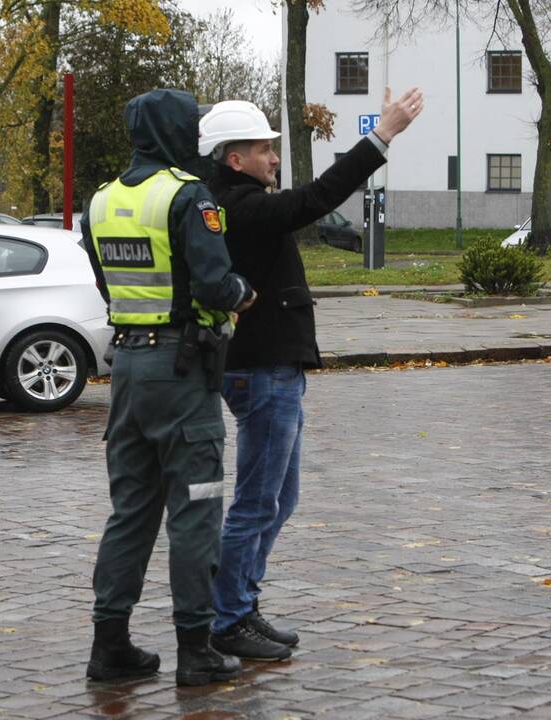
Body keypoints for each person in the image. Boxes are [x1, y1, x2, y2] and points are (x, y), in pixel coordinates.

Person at [197, 88, 424, 660]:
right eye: (264, 150)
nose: (274, 158)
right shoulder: (238, 206)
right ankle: (228, 616)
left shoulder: (228, 200)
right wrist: (381, 136)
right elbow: (316, 199)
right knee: (257, 501)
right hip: (264, 371)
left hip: (270, 368)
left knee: (279, 498)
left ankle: (239, 602)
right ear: (234, 159)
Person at [82, 89, 258, 687]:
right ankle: (196, 650)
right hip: (182, 374)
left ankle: (110, 646)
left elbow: (109, 284)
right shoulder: (188, 194)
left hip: (127, 368)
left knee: (130, 511)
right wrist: (242, 293)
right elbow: (214, 284)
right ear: (175, 131)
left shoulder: (102, 201)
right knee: (196, 512)